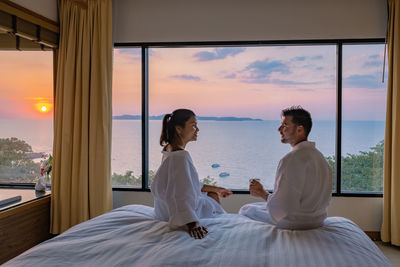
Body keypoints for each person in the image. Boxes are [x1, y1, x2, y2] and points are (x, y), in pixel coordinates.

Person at [239, 106, 332, 230]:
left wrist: (262, 192)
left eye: (284, 125)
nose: (279, 129)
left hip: (295, 223)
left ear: (299, 130)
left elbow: (280, 209)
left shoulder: (290, 160)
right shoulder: (321, 159)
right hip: (318, 221)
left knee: (245, 209)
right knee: (256, 206)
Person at [151, 109, 232, 239]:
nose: (197, 130)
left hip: (162, 211)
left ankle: (217, 210)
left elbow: (185, 183)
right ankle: (222, 222)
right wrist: (192, 223)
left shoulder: (169, 149)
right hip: (174, 213)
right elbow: (180, 195)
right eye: (193, 125)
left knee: (212, 193)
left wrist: (217, 189)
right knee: (212, 200)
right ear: (179, 129)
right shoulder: (181, 156)